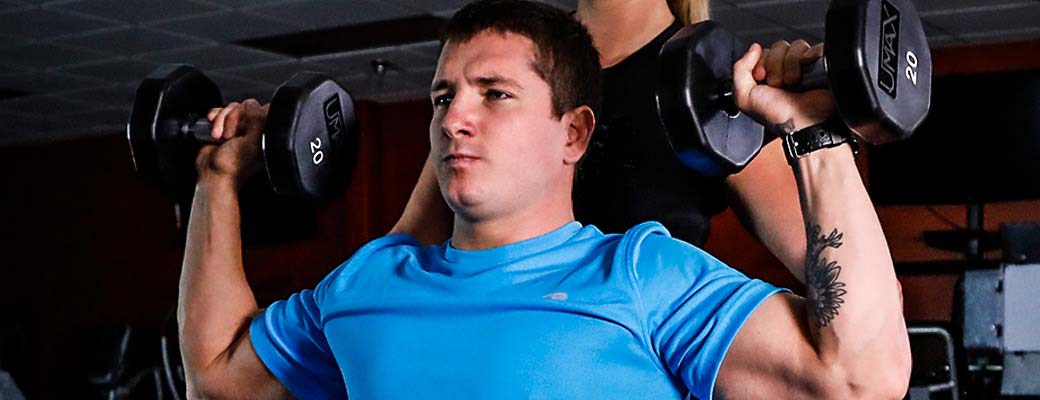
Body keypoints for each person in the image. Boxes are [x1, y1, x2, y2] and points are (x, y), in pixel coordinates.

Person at [176, 0, 908, 398]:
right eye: (442, 98)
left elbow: (860, 380)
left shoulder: (644, 275)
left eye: (495, 95)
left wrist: (816, 138)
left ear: (574, 133)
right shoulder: (371, 280)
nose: (455, 117)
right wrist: (216, 182)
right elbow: (216, 374)